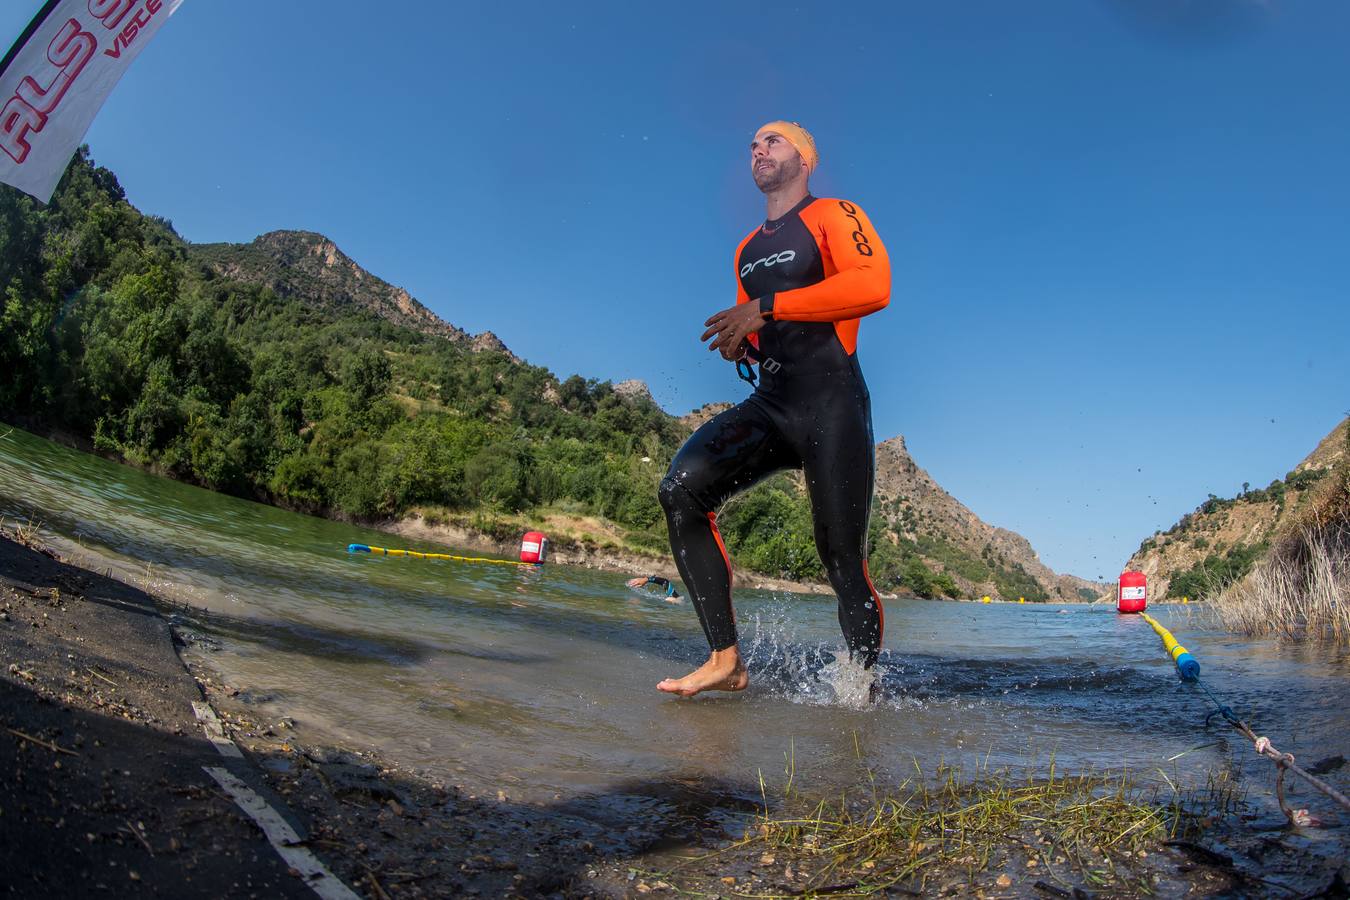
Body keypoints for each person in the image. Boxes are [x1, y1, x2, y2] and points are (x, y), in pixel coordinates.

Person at [656, 121, 891, 697]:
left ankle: (860, 694)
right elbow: (762, 326)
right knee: (681, 490)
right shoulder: (745, 249)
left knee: (843, 563)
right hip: (772, 401)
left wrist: (765, 307)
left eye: (773, 140)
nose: (758, 149)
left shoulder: (836, 213)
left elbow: (873, 284)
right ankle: (725, 660)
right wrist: (743, 339)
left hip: (833, 401)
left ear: (806, 157)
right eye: (753, 144)